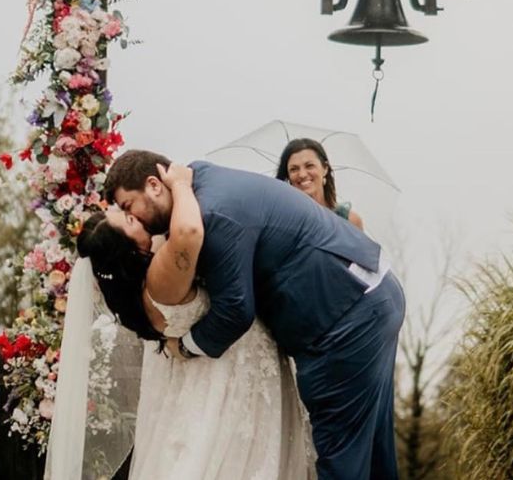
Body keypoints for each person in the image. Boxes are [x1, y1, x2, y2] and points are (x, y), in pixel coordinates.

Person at [105, 150, 405, 480]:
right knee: (374, 453)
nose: (129, 216)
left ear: (153, 185)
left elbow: (235, 310)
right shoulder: (201, 180)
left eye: (127, 206)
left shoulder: (211, 213)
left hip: (343, 319)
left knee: (341, 458)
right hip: (369, 294)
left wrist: (186, 345)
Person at [75, 163, 313, 479]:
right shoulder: (161, 276)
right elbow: (189, 231)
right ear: (124, 249)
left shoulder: (143, 285)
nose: (136, 217)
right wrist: (182, 185)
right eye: (129, 219)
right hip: (225, 378)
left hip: (209, 378)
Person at [277, 138, 364, 230]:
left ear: (325, 168)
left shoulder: (349, 221)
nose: (302, 174)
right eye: (294, 169)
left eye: (309, 166)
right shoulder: (282, 222)